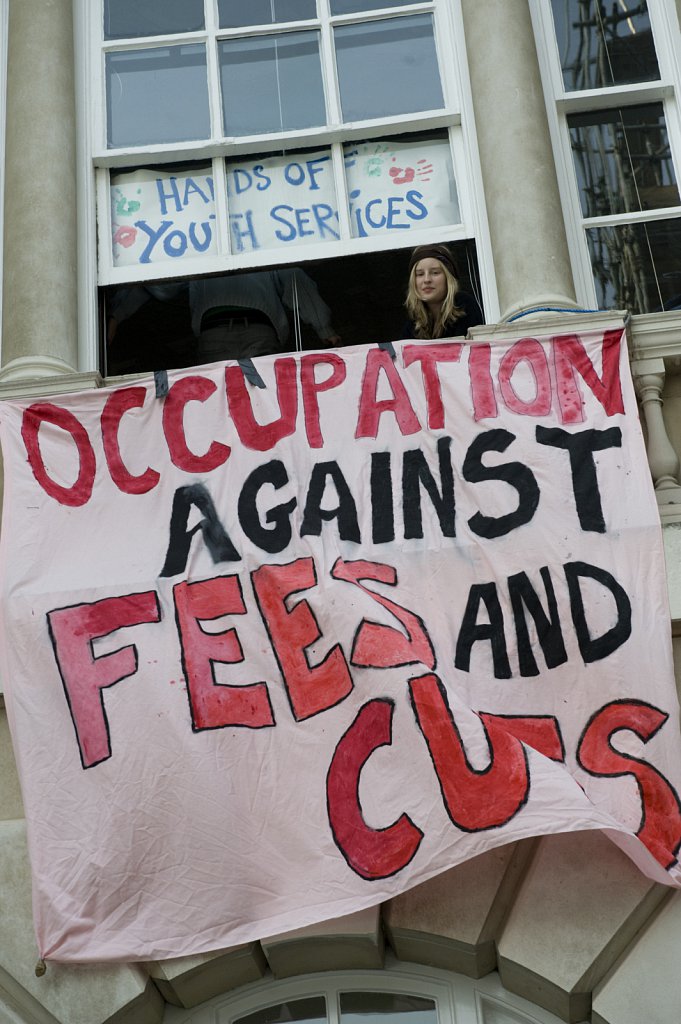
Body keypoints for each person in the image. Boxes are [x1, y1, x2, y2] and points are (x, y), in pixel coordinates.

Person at [108, 267, 341, 363]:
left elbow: (160, 283)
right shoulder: (262, 245)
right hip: (259, 330)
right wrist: (324, 329)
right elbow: (295, 280)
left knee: (222, 404)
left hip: (215, 333)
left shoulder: (199, 249)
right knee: (265, 399)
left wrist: (117, 314)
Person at [401, 244, 483, 340]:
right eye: (420, 274)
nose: (426, 280)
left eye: (435, 273)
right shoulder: (413, 321)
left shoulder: (464, 306)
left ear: (448, 278)